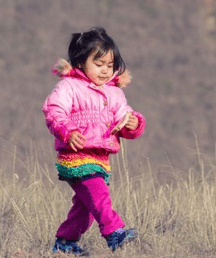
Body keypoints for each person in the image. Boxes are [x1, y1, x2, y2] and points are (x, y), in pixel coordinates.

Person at [42, 26, 145, 255]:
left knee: (85, 208)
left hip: (100, 159)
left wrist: (133, 123)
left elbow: (124, 116)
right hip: (75, 157)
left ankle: (65, 242)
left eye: (110, 66)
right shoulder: (69, 86)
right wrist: (67, 131)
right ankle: (114, 232)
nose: (105, 71)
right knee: (99, 196)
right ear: (80, 63)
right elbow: (54, 111)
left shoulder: (115, 93)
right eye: (98, 65)